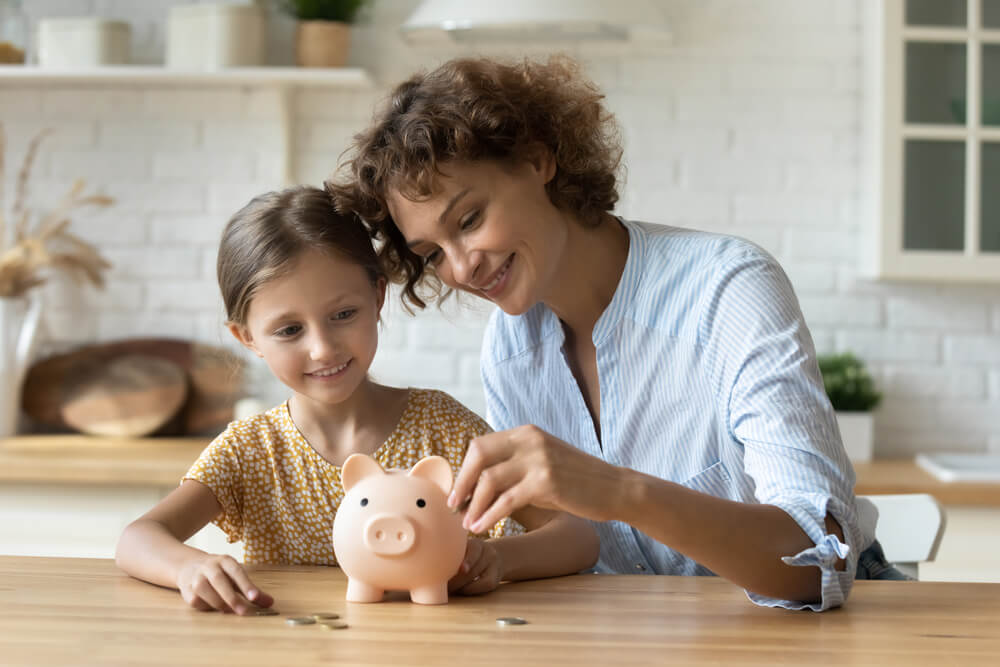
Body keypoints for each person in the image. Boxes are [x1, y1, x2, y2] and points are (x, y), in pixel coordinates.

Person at [328, 55, 895, 612]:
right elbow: (583, 540)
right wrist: (492, 558)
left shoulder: (727, 288)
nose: (461, 268)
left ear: (537, 160)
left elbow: (821, 565)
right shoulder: (510, 347)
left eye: (470, 220)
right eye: (433, 254)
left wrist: (617, 490)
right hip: (658, 633)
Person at [115, 186, 599, 615]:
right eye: (289, 330)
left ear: (378, 298)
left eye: (343, 314)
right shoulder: (250, 451)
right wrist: (190, 568)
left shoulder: (444, 429)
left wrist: (498, 558)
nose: (323, 348)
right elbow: (138, 538)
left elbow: (577, 535)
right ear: (247, 338)